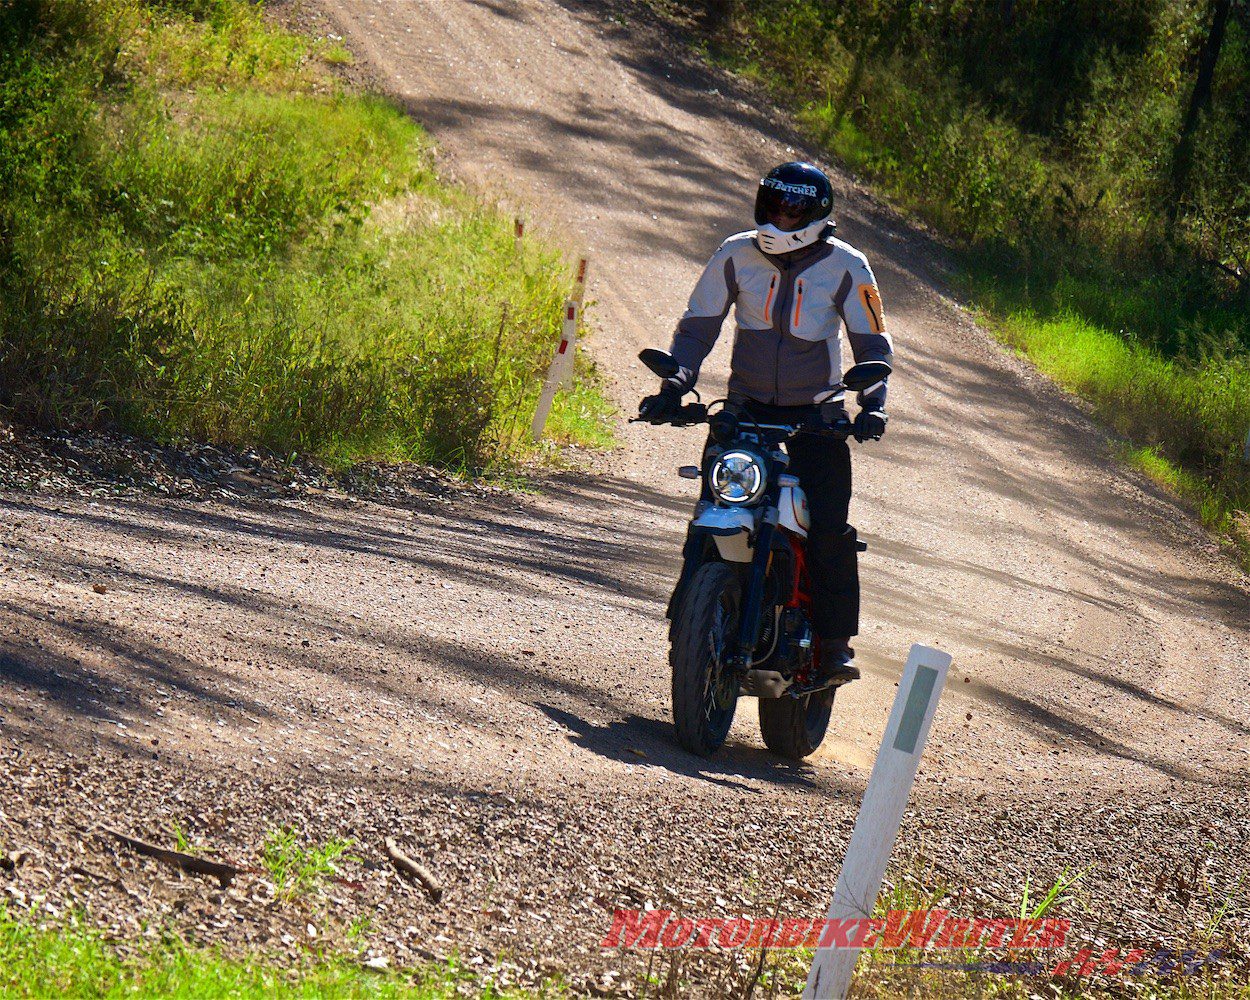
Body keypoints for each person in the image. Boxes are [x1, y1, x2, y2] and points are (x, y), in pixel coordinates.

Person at [639, 161, 893, 684]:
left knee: (828, 532)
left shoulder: (849, 266)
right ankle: (690, 629)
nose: (780, 218)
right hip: (743, 413)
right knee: (710, 516)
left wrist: (872, 405)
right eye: (773, 206)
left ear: (818, 216)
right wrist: (674, 384)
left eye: (792, 210)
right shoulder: (734, 253)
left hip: (817, 421)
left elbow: (872, 343)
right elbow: (698, 326)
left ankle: (834, 647)